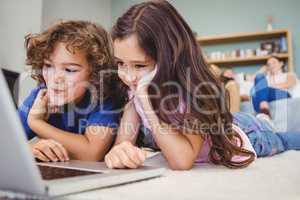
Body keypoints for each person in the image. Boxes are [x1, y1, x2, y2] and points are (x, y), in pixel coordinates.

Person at [104, 0, 300, 170]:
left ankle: (265, 120)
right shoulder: (136, 90)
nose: (128, 77)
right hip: (229, 125)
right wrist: (120, 152)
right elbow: (123, 143)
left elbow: (182, 161)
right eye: (120, 63)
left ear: (169, 57)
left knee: (286, 140)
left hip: (247, 134)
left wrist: (147, 104)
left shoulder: (190, 93)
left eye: (139, 65)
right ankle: (265, 117)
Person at [18, 20, 120, 162]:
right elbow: (5, 142)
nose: (55, 79)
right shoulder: (40, 96)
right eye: (48, 65)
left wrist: (36, 123)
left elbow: (91, 153)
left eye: (69, 70)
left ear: (95, 74)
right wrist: (29, 149)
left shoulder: (104, 97)